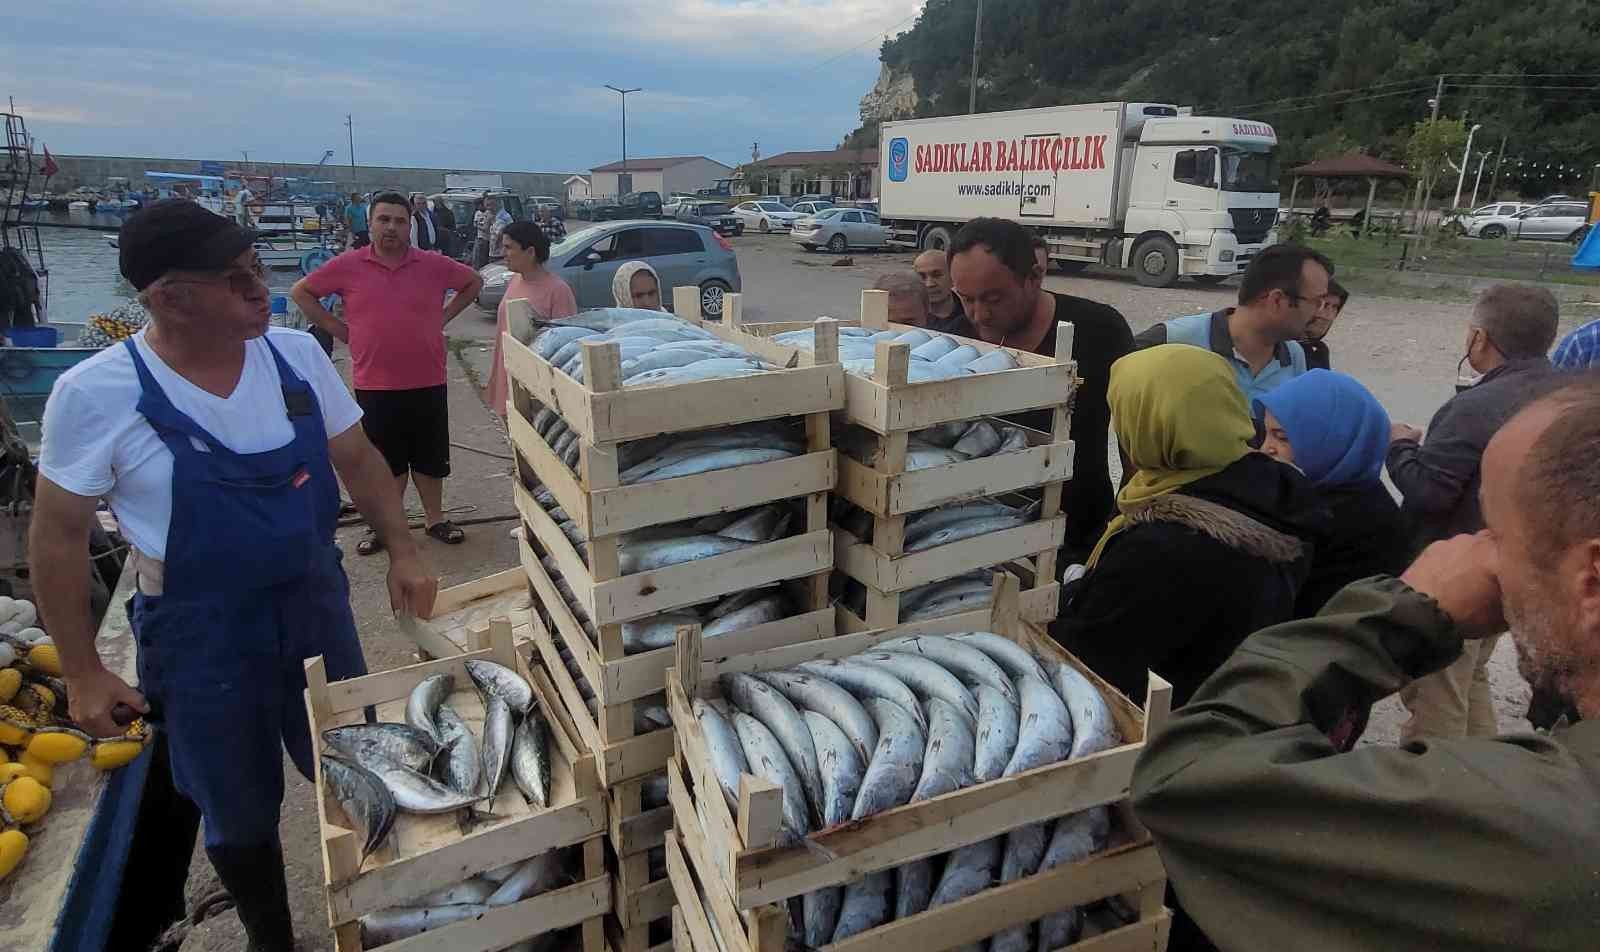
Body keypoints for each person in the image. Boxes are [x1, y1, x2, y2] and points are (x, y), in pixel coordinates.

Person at [29, 200, 436, 951]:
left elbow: (361, 462)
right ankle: (270, 934)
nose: (260, 289)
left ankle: (386, 909)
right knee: (236, 807)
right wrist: (83, 672)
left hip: (315, 608)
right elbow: (55, 539)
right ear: (169, 297)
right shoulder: (95, 394)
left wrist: (405, 549)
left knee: (351, 763)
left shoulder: (296, 357)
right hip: (200, 634)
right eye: (234, 278)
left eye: (257, 267)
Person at [1130, 379, 1600, 952]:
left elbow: (1183, 778)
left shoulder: (1543, 826)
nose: (1476, 555)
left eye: (1498, 537)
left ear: (1591, 583)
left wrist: (1398, 613)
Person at [1050, 345, 1322, 709]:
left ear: (1148, 424)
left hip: (1174, 725)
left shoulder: (1163, 547)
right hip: (1237, 698)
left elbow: (1088, 652)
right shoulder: (1274, 487)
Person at [1387, 283, 1560, 741]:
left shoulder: (1476, 406)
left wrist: (1400, 446)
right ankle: (1486, 777)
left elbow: (1428, 493)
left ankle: (1432, 797)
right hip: (1528, 569)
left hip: (1464, 574)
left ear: (1479, 339)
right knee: (1472, 675)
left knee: (1437, 690)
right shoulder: (1567, 395)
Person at [291, 192, 484, 552]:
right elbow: (302, 293)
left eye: (399, 220)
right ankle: (387, 527)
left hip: (428, 378)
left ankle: (434, 519)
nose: (392, 227)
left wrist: (442, 317)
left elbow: (474, 282)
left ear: (409, 226)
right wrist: (341, 330)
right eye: (384, 220)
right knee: (384, 461)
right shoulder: (347, 265)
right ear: (370, 222)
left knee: (429, 457)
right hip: (375, 383)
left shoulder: (433, 264)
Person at [948, 217, 1134, 559]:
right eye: (965, 299)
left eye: (993, 298)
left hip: (1078, 531)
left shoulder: (1100, 331)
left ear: (1034, 277)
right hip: (975, 534)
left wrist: (1123, 522)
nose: (979, 315)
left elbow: (1134, 441)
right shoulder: (954, 337)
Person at [1255, 370, 1409, 618]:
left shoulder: (1336, 522)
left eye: (1281, 438)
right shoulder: (1346, 493)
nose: (1265, 449)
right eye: (1266, 434)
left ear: (1330, 439)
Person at [1134, 243, 1332, 399]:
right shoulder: (1171, 340)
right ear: (1277, 300)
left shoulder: (1295, 357)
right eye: (1317, 302)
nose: (1322, 314)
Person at [488, 221, 578, 418]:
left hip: (535, 388)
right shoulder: (515, 281)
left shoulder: (558, 290)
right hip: (507, 375)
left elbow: (567, 348)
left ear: (530, 252)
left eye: (508, 247)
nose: (503, 253)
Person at [911, 248, 970, 334]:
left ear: (953, 275)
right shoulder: (907, 317)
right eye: (922, 277)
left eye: (937, 275)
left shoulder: (972, 315)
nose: (929, 284)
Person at [1299, 278, 1347, 370]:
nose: (1329, 315)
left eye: (1335, 307)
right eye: (1324, 305)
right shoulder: (1277, 349)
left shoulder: (1319, 351)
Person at [489, 197, 513, 261]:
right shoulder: (498, 216)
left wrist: (495, 246)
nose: (489, 209)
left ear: (496, 205)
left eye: (490, 205)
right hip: (498, 252)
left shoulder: (502, 217)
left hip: (499, 253)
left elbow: (500, 233)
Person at [473, 197, 491, 268]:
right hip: (479, 237)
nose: (477, 207)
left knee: (484, 257)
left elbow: (486, 228)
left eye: (478, 205)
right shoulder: (477, 213)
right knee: (476, 256)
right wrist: (479, 226)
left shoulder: (488, 213)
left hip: (486, 238)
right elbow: (475, 223)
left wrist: (479, 227)